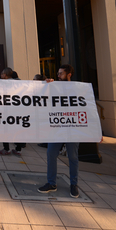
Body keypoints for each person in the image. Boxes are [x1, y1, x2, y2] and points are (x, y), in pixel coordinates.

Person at [37, 64, 80, 198]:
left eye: (61, 73)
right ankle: (52, 183)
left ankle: (74, 184)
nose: (58, 75)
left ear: (69, 75)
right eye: (58, 73)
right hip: (57, 127)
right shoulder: (54, 86)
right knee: (51, 154)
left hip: (72, 128)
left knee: (73, 157)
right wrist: (47, 85)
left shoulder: (77, 88)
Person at [0, 67, 26, 157]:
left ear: (5, 75)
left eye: (1, 74)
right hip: (17, 110)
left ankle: (6, 149)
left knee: (5, 130)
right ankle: (18, 150)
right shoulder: (19, 83)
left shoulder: (3, 84)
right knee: (17, 130)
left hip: (7, 110)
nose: (0, 75)